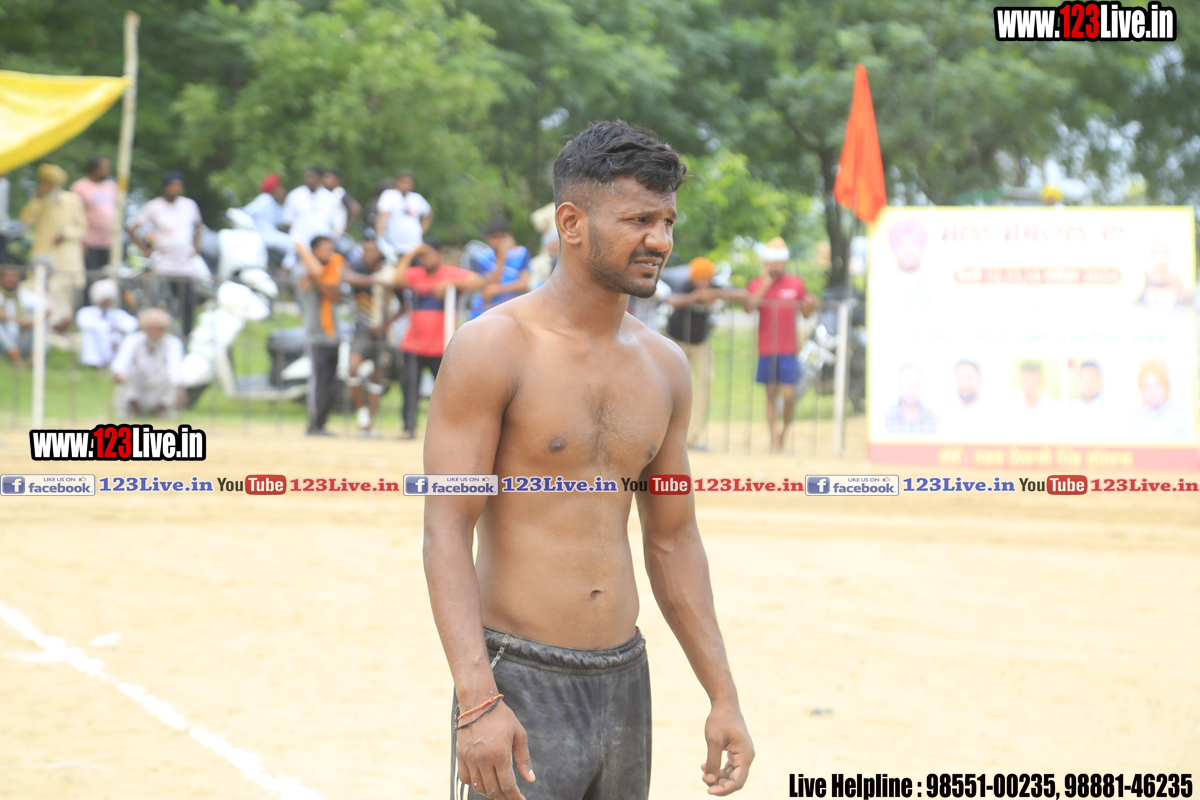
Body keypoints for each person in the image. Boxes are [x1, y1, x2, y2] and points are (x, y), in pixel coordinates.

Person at [424, 120, 753, 800]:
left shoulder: (665, 367)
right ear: (571, 223)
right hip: (518, 679)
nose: (659, 240)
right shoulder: (493, 348)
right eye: (638, 220)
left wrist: (723, 695)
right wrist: (478, 700)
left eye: (667, 221)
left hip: (624, 680)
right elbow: (446, 529)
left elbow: (673, 539)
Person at [398, 238, 484, 439]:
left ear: (439, 254)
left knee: (447, 393)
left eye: (427, 254)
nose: (424, 259)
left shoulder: (450, 273)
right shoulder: (416, 274)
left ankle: (449, 431)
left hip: (442, 346)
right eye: (421, 256)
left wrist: (451, 284)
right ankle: (408, 428)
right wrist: (411, 253)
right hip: (413, 344)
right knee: (409, 389)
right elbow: (397, 279)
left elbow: (480, 281)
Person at [744, 237, 817, 452]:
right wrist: (766, 282)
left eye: (781, 262)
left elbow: (805, 313)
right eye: (774, 262)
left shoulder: (796, 283)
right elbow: (749, 306)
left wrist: (811, 304)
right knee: (770, 395)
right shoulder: (757, 284)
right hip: (767, 348)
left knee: (789, 396)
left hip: (789, 349)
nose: (778, 266)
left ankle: (784, 432)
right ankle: (774, 438)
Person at [665, 256, 740, 451]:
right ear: (693, 278)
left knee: (706, 380)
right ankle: (666, 432)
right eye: (700, 279)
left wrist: (715, 293)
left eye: (707, 279)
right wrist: (695, 297)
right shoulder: (686, 286)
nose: (704, 283)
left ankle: (693, 436)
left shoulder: (715, 286)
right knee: (672, 384)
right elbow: (672, 300)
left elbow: (744, 295)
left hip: (700, 343)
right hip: (676, 340)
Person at [127, 172, 204, 337]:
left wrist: (196, 249)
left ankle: (186, 336)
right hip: (163, 266)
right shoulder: (154, 206)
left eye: (179, 185)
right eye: (172, 185)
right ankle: (162, 335)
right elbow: (133, 228)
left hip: (184, 266)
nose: (176, 188)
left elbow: (198, 227)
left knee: (187, 304)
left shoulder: (189, 205)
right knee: (162, 304)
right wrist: (147, 250)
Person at [342, 239, 403, 437]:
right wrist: (376, 281)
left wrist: (385, 325)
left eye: (371, 250)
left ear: (380, 253)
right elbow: (347, 277)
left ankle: (369, 422)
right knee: (353, 368)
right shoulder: (359, 268)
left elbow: (404, 303)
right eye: (364, 250)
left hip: (382, 333)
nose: (366, 254)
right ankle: (362, 413)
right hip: (361, 330)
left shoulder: (390, 271)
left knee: (378, 374)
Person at [20, 163, 87, 331]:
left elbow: (82, 227)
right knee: (40, 287)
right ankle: (45, 325)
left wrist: (67, 234)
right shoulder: (39, 201)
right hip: (44, 254)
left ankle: (64, 324)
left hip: (66, 256)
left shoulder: (73, 200)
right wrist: (37, 198)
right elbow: (26, 221)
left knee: (64, 289)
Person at [293, 236, 345, 437]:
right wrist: (301, 249)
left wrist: (318, 280)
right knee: (318, 381)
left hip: (333, 335)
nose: (330, 254)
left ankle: (322, 424)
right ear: (314, 251)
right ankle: (313, 424)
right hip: (315, 335)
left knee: (330, 382)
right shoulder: (301, 269)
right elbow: (316, 271)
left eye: (332, 249)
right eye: (325, 250)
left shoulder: (334, 268)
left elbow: (335, 294)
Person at [111, 308, 185, 418]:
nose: (155, 332)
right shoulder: (133, 340)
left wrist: (179, 388)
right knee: (129, 373)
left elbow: (175, 369)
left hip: (160, 385)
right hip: (139, 384)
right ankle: (133, 408)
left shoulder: (173, 343)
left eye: (158, 329)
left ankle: (162, 409)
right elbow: (120, 363)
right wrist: (118, 373)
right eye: (152, 328)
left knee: (171, 377)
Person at [469, 217, 531, 319]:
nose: (500, 241)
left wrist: (498, 289)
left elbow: (523, 284)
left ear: (510, 236)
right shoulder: (482, 258)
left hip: (513, 306)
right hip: (486, 310)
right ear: (489, 239)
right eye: (495, 237)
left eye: (503, 236)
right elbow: (489, 290)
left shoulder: (521, 253)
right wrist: (502, 258)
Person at [70, 156, 119, 285]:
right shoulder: (79, 187)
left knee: (107, 281)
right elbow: (73, 216)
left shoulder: (112, 187)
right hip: (89, 242)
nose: (108, 171)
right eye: (105, 168)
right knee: (90, 280)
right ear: (95, 169)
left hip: (110, 243)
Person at [281, 167, 336, 276]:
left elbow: (332, 223)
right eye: (308, 177)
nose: (310, 180)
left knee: (322, 272)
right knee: (290, 266)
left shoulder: (330, 198)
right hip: (299, 242)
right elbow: (287, 222)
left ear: (320, 179)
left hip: (321, 244)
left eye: (313, 177)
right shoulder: (295, 195)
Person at [76, 278, 137, 368]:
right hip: (95, 348)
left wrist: (118, 329)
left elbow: (132, 324)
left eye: (107, 299)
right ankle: (97, 366)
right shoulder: (86, 312)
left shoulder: (117, 313)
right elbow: (88, 324)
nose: (105, 302)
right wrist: (107, 328)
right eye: (103, 299)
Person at [375, 170, 432, 255]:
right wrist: (380, 239)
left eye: (408, 183)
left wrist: (420, 232)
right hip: (393, 247)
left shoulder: (416, 198)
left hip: (414, 247)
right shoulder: (389, 196)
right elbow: (382, 217)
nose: (406, 185)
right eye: (403, 182)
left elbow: (429, 214)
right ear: (397, 182)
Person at [1132, 361, 1188, 440]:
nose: (1152, 390)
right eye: (1147, 385)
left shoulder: (1179, 418)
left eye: (1157, 384)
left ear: (1166, 387)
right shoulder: (1134, 420)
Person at [883, 363, 938, 435]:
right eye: (905, 384)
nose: (911, 390)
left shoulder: (934, 420)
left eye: (916, 385)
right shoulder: (884, 419)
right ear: (898, 385)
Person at [241, 174, 291, 252]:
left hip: (271, 234)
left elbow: (283, 221)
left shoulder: (274, 203)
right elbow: (248, 211)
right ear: (273, 188)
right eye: (279, 187)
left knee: (294, 242)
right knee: (294, 243)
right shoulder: (265, 198)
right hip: (263, 236)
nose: (281, 190)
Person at [0, 264, 36, 366]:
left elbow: (46, 309)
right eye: (7, 276)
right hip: (3, 342)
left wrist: (31, 322)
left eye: (14, 276)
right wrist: (14, 320)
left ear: (19, 279)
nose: (11, 279)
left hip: (22, 336)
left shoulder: (26, 295)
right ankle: (14, 355)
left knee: (41, 323)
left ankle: (34, 358)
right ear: (1, 279)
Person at [322, 169, 361, 239]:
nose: (325, 180)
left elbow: (355, 208)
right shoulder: (328, 194)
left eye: (328, 177)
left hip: (338, 234)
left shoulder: (339, 192)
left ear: (336, 179)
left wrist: (346, 228)